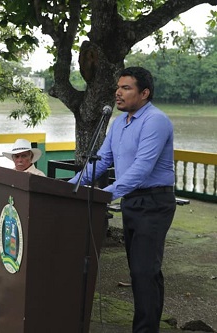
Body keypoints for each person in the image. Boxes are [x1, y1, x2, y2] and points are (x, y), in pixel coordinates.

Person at [69, 67, 176, 333]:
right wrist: (69, 187)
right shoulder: (119, 123)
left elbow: (142, 168)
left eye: (126, 88)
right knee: (143, 271)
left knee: (143, 272)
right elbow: (102, 161)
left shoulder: (155, 121)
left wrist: (108, 194)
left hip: (154, 202)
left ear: (144, 93)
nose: (118, 92)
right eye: (118, 87)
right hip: (132, 202)